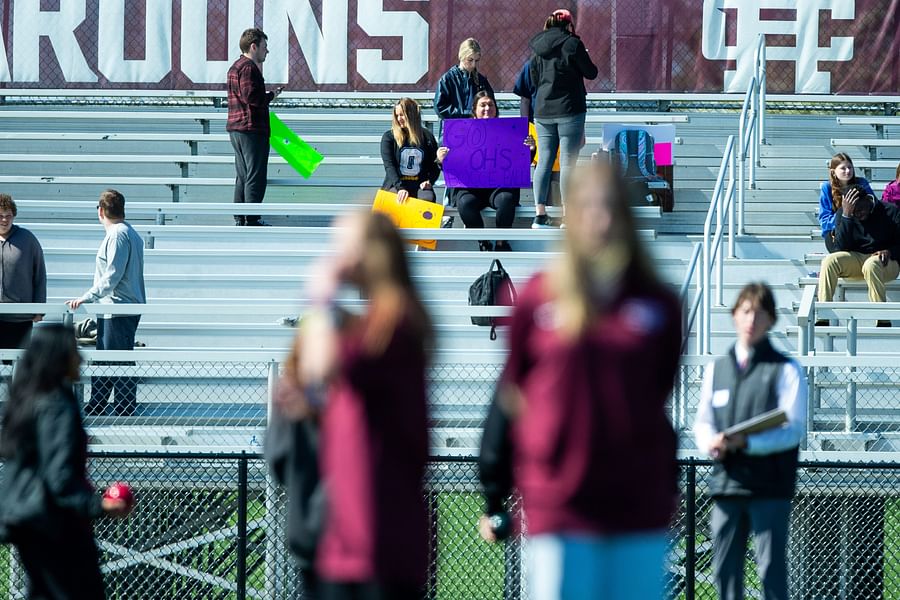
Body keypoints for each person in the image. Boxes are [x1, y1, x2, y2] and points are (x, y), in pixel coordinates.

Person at [479, 162, 681, 599]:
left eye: (610, 207)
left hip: (637, 506)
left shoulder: (659, 304)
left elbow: (658, 390)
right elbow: (513, 395)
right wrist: (494, 488)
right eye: (589, 207)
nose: (601, 219)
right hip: (560, 506)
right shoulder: (538, 297)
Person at [270, 211, 432, 600]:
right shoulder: (375, 324)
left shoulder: (392, 324)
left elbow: (326, 365)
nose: (335, 257)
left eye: (343, 246)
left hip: (377, 536)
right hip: (349, 535)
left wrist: (322, 295)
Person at [0, 323, 132, 600]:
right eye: (74, 352)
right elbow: (59, 477)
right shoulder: (58, 406)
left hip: (28, 522)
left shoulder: (26, 403)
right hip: (56, 525)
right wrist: (99, 504)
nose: (80, 358)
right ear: (57, 357)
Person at [694, 282, 807, 600]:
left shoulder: (787, 369)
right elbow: (703, 422)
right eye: (745, 311)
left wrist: (748, 444)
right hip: (727, 485)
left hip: (770, 487)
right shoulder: (716, 369)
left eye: (759, 313)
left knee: (770, 570)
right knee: (724, 571)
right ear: (734, 316)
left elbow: (793, 429)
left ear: (771, 320)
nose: (751, 319)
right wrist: (710, 442)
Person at [66, 190, 146, 416]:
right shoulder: (130, 233)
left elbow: (112, 274)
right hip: (119, 307)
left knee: (114, 360)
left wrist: (87, 296)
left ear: (100, 211)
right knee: (109, 359)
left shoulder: (117, 235)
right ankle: (101, 404)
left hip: (117, 307)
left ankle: (122, 406)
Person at [529, 8, 598, 229]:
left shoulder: (537, 46)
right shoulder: (573, 44)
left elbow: (533, 79)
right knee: (568, 162)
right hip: (570, 109)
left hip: (543, 111)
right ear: (569, 25)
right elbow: (591, 72)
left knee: (544, 160)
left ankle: (539, 214)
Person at [442, 92, 522, 251]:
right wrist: (441, 158)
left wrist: (530, 150)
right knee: (465, 203)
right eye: (483, 105)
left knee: (506, 199)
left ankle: (501, 243)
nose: (487, 108)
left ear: (496, 108)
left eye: (490, 104)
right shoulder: (461, 132)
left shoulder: (509, 132)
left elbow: (519, 161)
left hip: (498, 188)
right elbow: (450, 165)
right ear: (474, 109)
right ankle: (483, 241)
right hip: (470, 188)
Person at [817, 184, 900, 324]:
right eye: (854, 211)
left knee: (872, 264)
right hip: (857, 259)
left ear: (868, 199)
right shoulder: (844, 214)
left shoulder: (890, 211)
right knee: (829, 261)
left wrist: (889, 251)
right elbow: (839, 248)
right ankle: (823, 315)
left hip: (886, 261)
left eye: (861, 209)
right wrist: (847, 217)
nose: (858, 214)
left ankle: (882, 318)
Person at [227, 27, 282, 226]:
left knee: (242, 175)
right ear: (253, 46)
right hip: (251, 128)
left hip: (237, 128)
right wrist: (271, 95)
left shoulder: (235, 66)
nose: (267, 51)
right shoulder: (249, 68)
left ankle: (240, 216)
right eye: (264, 47)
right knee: (255, 175)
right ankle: (251, 218)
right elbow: (251, 97)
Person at [0, 194, 46, 349]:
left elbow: (39, 275)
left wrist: (39, 309)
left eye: (8, 216)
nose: (5, 220)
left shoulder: (27, 239)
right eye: (0, 216)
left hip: (19, 318)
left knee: (17, 366)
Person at [381, 97, 445, 204]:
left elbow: (434, 165)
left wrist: (430, 182)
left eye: (402, 115)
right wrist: (400, 187)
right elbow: (389, 166)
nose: (399, 119)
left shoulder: (426, 136)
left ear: (412, 115)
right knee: (395, 200)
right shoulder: (389, 137)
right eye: (397, 115)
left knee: (427, 200)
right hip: (396, 184)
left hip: (419, 184)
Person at [818, 153, 874, 251]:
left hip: (861, 231)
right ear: (833, 172)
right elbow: (825, 222)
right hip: (839, 233)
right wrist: (844, 214)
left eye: (850, 167)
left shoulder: (862, 183)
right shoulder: (827, 188)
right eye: (843, 168)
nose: (848, 171)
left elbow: (873, 207)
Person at [434, 38, 494, 129]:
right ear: (461, 57)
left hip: (476, 130)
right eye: (470, 60)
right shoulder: (447, 79)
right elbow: (440, 108)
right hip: (453, 130)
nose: (474, 64)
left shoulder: (481, 81)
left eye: (476, 61)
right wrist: (466, 114)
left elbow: (491, 104)